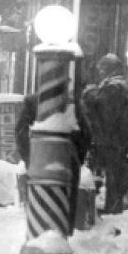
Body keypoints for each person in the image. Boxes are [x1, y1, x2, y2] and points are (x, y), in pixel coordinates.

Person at [16, 87, 91, 233]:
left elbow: (21, 134)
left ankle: (39, 232)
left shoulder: (32, 102)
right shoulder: (73, 104)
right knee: (65, 208)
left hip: (38, 163)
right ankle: (63, 233)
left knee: (39, 207)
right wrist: (76, 158)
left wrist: (30, 158)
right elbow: (87, 133)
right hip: (68, 164)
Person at [82, 54, 128, 214]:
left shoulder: (114, 87)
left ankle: (111, 210)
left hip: (111, 141)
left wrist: (89, 94)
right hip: (114, 140)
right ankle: (109, 207)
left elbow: (104, 111)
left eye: (102, 68)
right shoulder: (118, 86)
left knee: (112, 178)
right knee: (111, 177)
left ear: (109, 69)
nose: (99, 71)